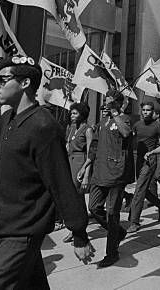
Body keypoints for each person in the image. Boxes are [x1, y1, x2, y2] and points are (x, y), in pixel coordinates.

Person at [0, 57, 94, 289]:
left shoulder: (43, 126)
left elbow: (60, 183)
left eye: (3, 80)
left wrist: (79, 233)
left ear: (25, 83)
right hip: (5, 225)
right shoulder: (9, 119)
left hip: (23, 231)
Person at [81, 89, 133, 267]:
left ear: (118, 103)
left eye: (110, 102)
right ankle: (118, 232)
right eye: (106, 101)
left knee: (112, 214)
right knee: (94, 208)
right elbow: (93, 148)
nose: (106, 104)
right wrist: (86, 167)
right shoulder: (101, 123)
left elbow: (126, 133)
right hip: (99, 172)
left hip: (116, 173)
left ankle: (112, 253)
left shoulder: (124, 119)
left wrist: (116, 113)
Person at [126, 101, 160, 233]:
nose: (145, 112)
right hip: (137, 160)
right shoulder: (137, 125)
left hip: (150, 160)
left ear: (153, 112)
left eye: (148, 110)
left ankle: (134, 222)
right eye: (143, 110)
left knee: (138, 190)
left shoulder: (158, 127)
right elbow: (129, 138)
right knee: (143, 189)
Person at [62, 102, 94, 243]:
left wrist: (86, 175)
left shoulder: (88, 130)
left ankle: (78, 230)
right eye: (71, 113)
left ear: (82, 114)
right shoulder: (71, 128)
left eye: (75, 113)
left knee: (77, 197)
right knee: (71, 197)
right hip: (69, 162)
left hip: (80, 163)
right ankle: (75, 228)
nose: (72, 115)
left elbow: (90, 153)